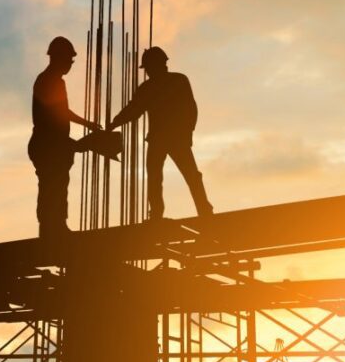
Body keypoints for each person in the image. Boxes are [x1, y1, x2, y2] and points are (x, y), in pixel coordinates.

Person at [108, 46, 213, 220]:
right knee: (162, 176)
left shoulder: (174, 81)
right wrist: (115, 123)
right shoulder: (159, 85)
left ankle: (201, 210)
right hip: (164, 138)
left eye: (148, 67)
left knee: (181, 175)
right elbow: (134, 110)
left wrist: (187, 133)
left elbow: (189, 109)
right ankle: (174, 211)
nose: (148, 71)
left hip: (171, 138)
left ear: (158, 64)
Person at [29, 36, 101, 238]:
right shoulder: (50, 81)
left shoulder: (52, 80)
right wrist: (85, 130)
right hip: (48, 145)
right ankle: (52, 229)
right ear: (58, 58)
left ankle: (54, 227)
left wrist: (85, 128)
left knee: (57, 186)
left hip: (52, 144)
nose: (70, 64)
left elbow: (61, 112)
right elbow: (58, 113)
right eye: (69, 60)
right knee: (52, 187)